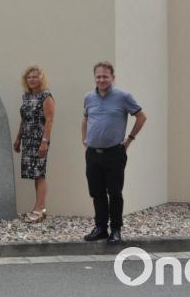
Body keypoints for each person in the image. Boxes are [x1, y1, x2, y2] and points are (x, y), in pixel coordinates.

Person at [82, 61, 147, 244]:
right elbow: (85, 119)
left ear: (112, 77)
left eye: (105, 76)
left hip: (114, 153)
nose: (101, 79)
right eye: (98, 76)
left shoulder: (123, 97)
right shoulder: (88, 98)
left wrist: (130, 139)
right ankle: (101, 228)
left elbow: (141, 117)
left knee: (115, 192)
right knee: (97, 192)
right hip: (93, 153)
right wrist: (85, 139)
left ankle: (116, 229)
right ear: (95, 77)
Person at [13, 65, 55, 223]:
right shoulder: (26, 97)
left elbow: (50, 120)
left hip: (39, 140)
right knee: (34, 175)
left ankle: (38, 210)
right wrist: (18, 139)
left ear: (41, 79)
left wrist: (44, 142)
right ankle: (41, 208)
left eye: (35, 77)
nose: (32, 79)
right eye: (29, 77)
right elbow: (24, 119)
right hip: (28, 139)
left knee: (40, 174)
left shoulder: (46, 96)